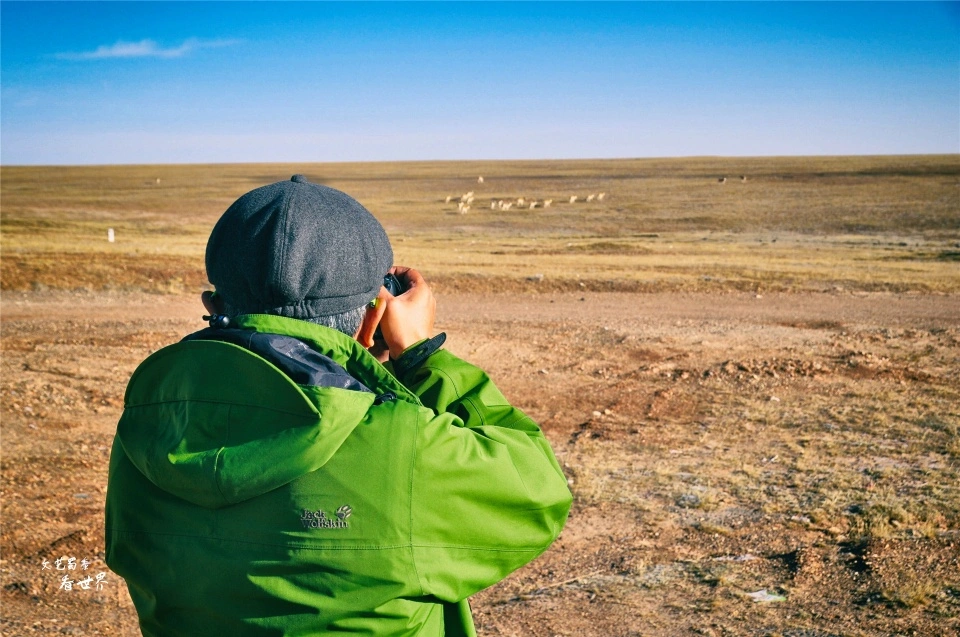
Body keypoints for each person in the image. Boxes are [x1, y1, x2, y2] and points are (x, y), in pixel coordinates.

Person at [105, 174, 572, 636]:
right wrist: (421, 356)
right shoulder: (401, 445)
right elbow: (539, 491)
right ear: (375, 319)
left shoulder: (148, 425)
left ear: (211, 303)